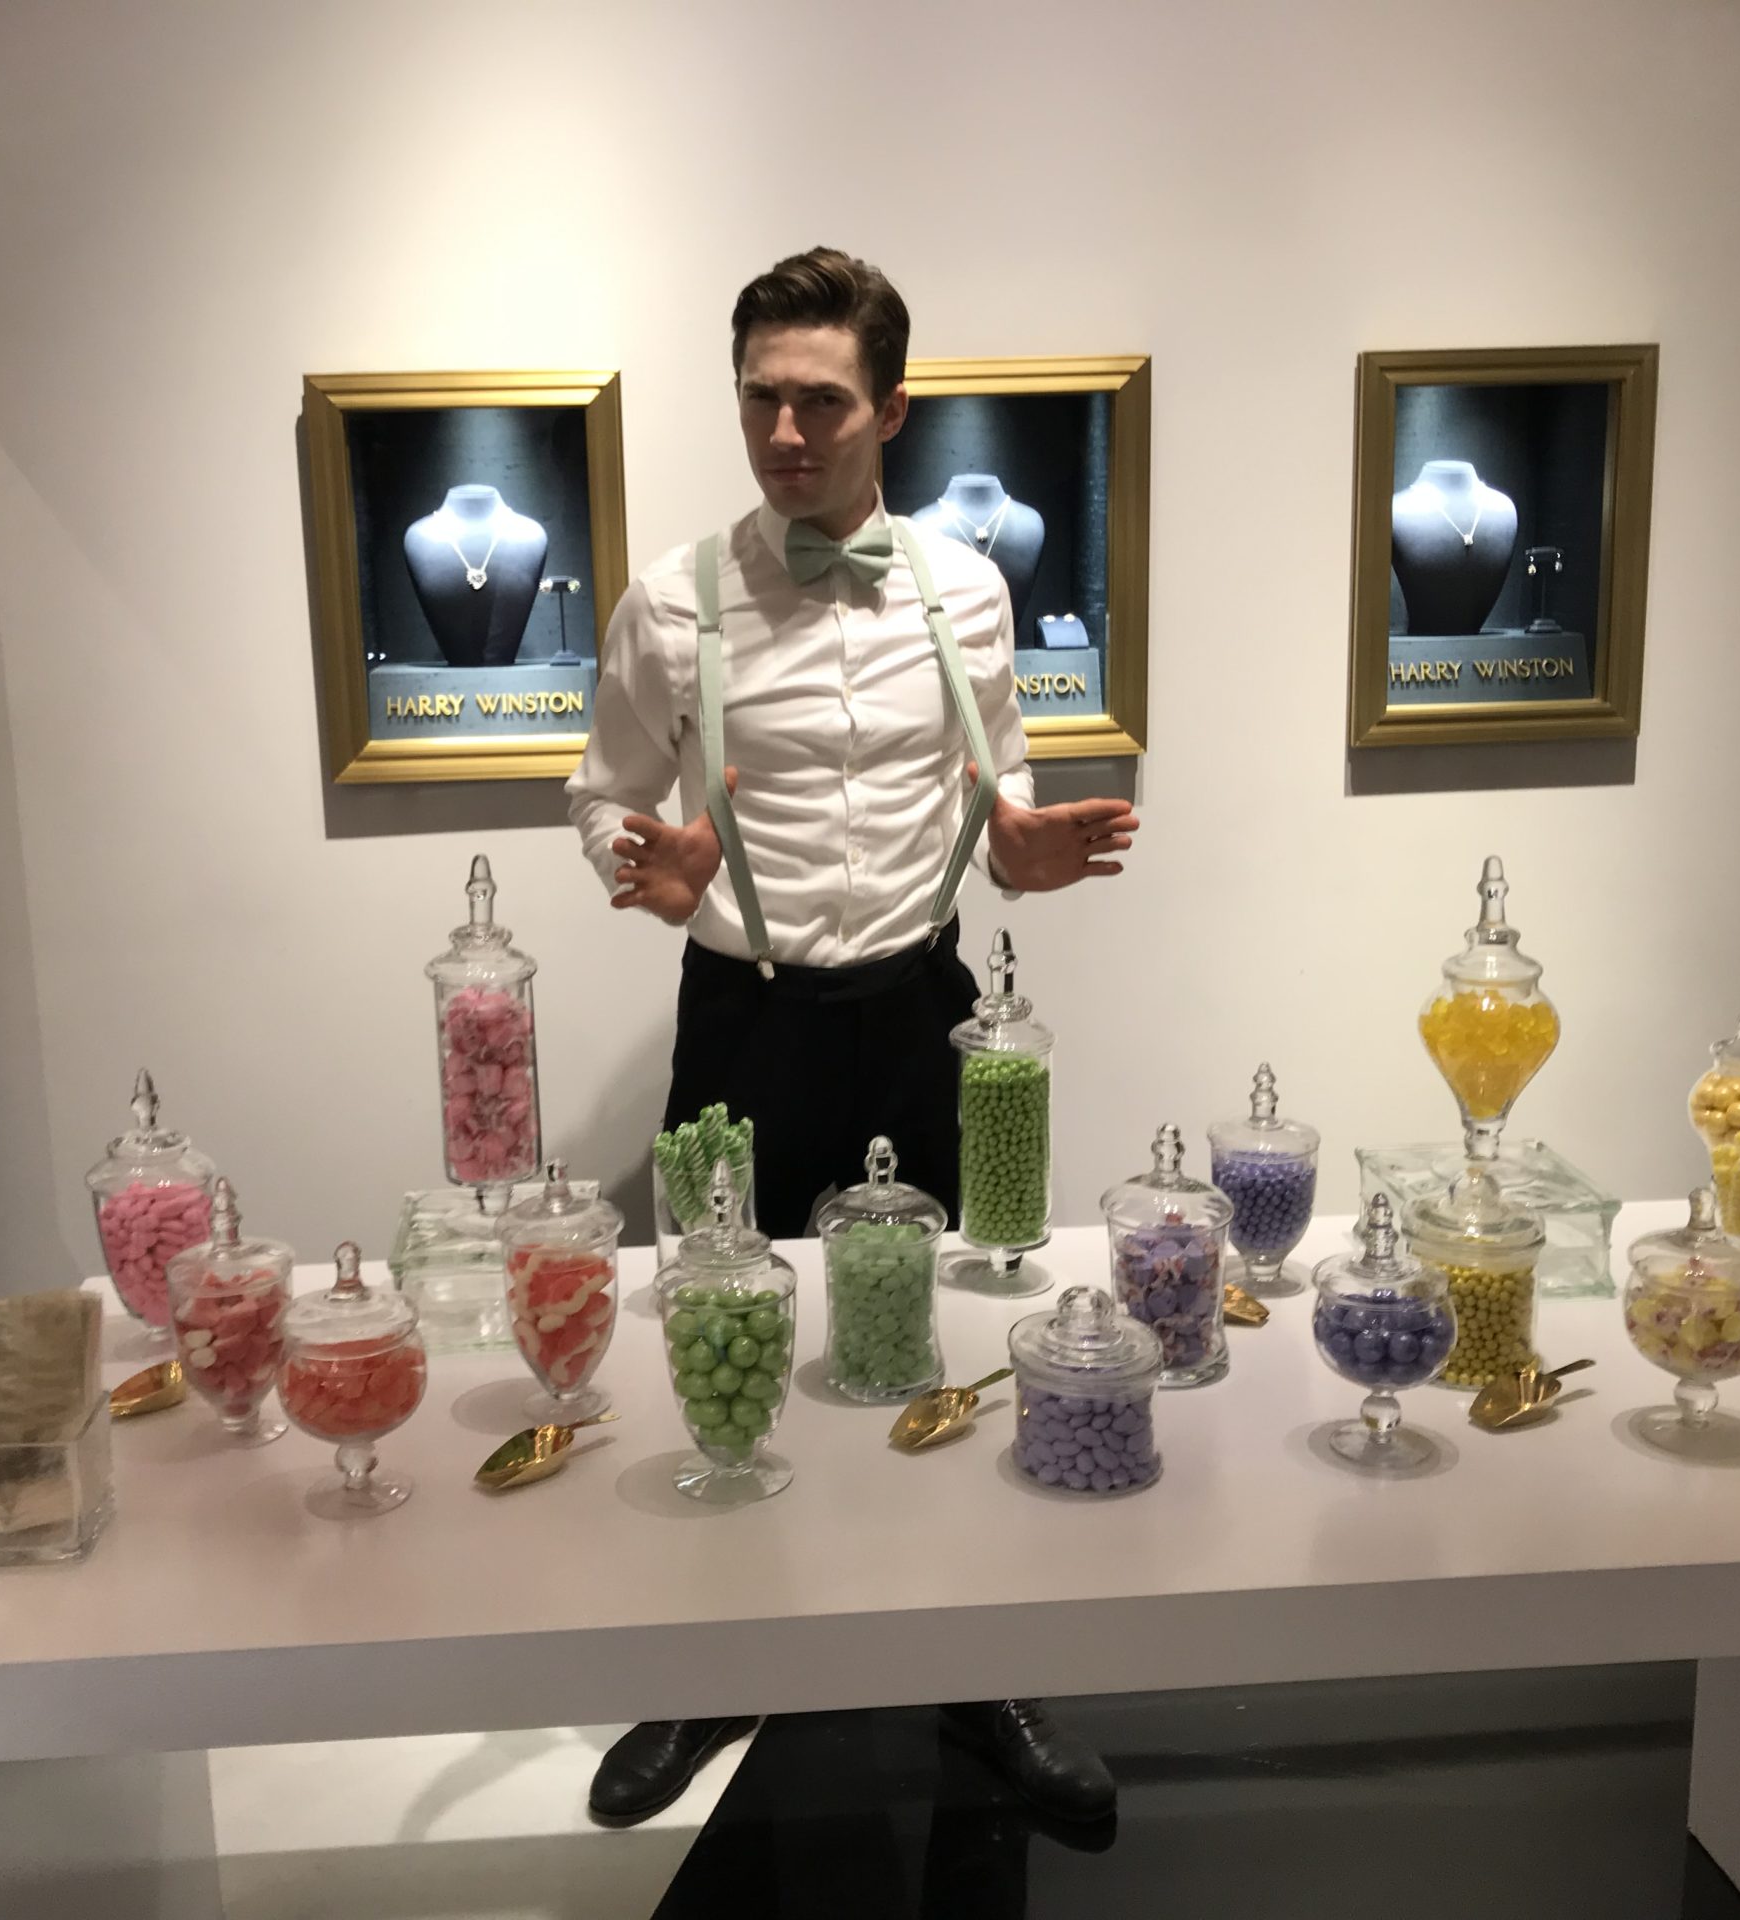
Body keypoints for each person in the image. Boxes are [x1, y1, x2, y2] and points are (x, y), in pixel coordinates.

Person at [564, 246, 1139, 1827]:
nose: (787, 432)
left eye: (821, 400)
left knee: (941, 1334)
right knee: (726, 1340)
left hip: (920, 1013)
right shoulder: (673, 597)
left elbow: (996, 791)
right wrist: (644, 863)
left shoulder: (968, 588)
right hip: (742, 1027)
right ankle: (715, 1670)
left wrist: (1017, 846)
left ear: (891, 407)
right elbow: (602, 792)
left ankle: (977, 1678)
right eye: (762, 399)